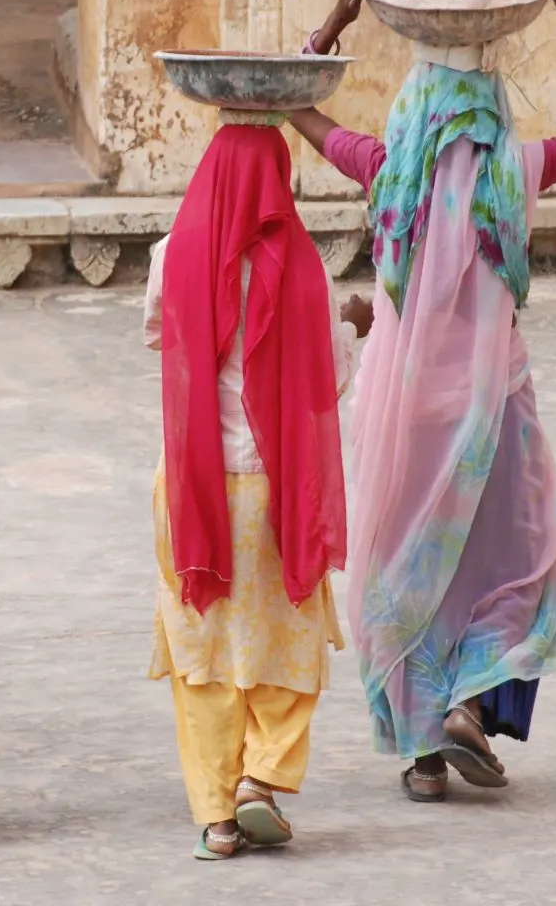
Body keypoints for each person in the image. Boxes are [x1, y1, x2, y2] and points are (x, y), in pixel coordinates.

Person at [287, 0, 556, 801]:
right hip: (493, 409)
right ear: (491, 117)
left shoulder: (382, 171)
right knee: (511, 559)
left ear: (409, 116)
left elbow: (284, 100)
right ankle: (470, 711)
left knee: (409, 561)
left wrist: (336, 16)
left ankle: (421, 753)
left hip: (403, 409)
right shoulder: (516, 173)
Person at [142, 118, 368, 860]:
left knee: (202, 646)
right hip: (276, 487)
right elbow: (328, 384)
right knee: (284, 635)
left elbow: (159, 337)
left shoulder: (172, 255)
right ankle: (261, 781)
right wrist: (347, 326)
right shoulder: (303, 266)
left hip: (193, 487)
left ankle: (214, 814)